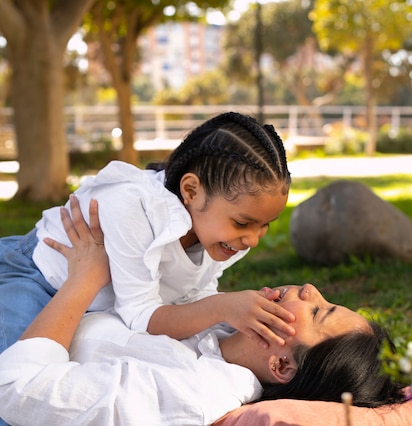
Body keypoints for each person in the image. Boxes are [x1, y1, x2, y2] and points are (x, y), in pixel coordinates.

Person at [0, 199, 406, 426]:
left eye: (318, 311)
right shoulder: (221, 326)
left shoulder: (188, 396)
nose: (309, 289)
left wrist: (83, 280)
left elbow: (19, 386)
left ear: (281, 363)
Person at [0, 112, 296, 363]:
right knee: (17, 381)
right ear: (191, 191)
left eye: (265, 225)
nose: (253, 240)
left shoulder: (216, 233)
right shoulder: (134, 208)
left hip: (101, 305)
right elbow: (142, 317)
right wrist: (224, 307)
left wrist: (238, 315)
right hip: (37, 276)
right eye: (243, 223)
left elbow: (189, 297)